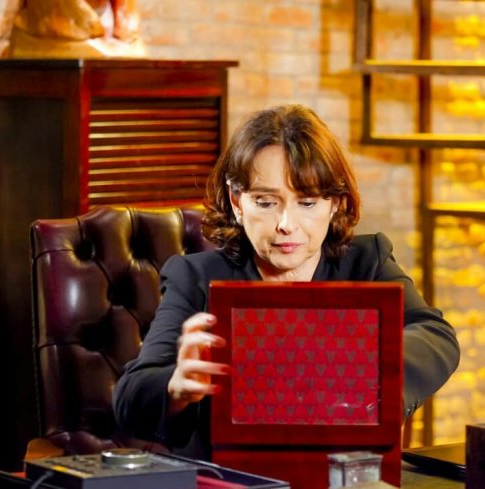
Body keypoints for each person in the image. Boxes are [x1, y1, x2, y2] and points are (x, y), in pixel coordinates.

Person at [113, 104, 460, 460]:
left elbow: (435, 335)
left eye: (307, 203)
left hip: (345, 474)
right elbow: (130, 396)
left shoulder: (367, 262)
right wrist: (177, 387)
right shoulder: (195, 277)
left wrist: (350, 364)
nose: (285, 224)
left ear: (334, 204)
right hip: (234, 477)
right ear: (237, 202)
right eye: (266, 202)